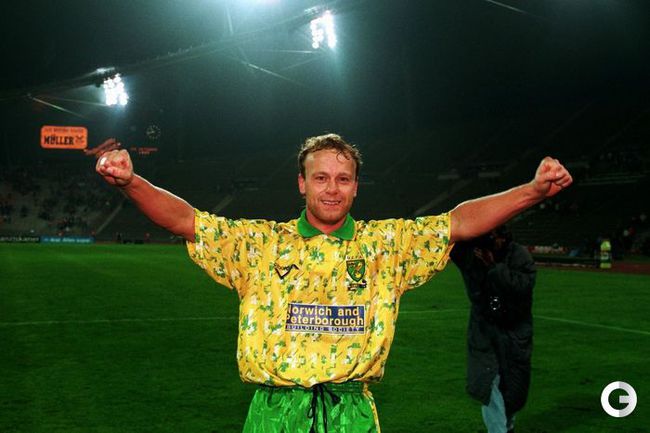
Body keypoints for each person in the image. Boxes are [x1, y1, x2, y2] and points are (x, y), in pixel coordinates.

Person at [88, 134, 572, 433]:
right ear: (302, 183)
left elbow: (458, 223)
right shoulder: (260, 244)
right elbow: (186, 221)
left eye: (343, 179)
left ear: (356, 186)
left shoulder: (386, 245)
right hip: (275, 413)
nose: (332, 189)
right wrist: (132, 182)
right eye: (321, 178)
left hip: (351, 413)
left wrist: (532, 192)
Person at [450, 226, 535, 433]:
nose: (491, 241)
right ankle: (498, 430)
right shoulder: (473, 254)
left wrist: (494, 267)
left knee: (512, 387)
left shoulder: (519, 255)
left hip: (514, 330)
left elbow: (522, 287)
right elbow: (453, 246)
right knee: (488, 382)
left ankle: (507, 425)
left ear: (504, 238)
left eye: (494, 237)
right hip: (484, 329)